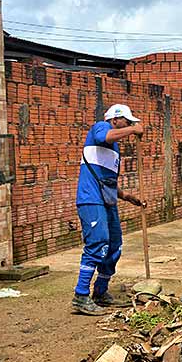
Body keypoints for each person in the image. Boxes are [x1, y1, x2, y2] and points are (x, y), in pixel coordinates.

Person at [72, 104, 145, 315]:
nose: (130, 125)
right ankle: (80, 295)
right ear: (115, 119)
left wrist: (128, 197)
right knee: (97, 243)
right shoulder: (100, 128)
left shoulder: (114, 151)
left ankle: (101, 292)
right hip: (90, 200)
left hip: (107, 200)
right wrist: (133, 130)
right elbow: (106, 136)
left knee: (114, 246)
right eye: (127, 121)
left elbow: (107, 181)